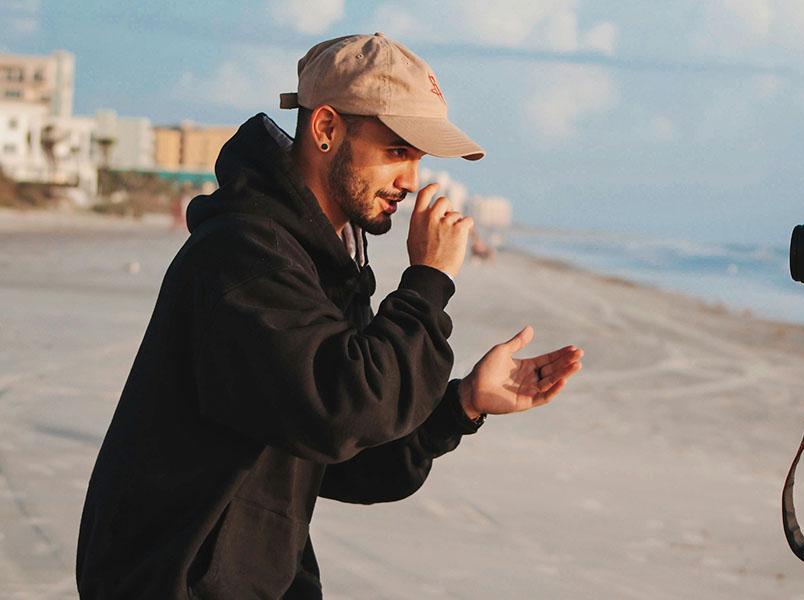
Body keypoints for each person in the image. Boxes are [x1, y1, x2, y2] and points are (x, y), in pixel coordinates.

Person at [76, 33, 584, 599]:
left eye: (417, 158)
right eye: (397, 151)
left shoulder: (323, 262)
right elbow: (345, 412)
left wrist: (461, 405)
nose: (411, 181)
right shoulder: (246, 257)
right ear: (324, 130)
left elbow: (348, 460)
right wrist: (427, 283)